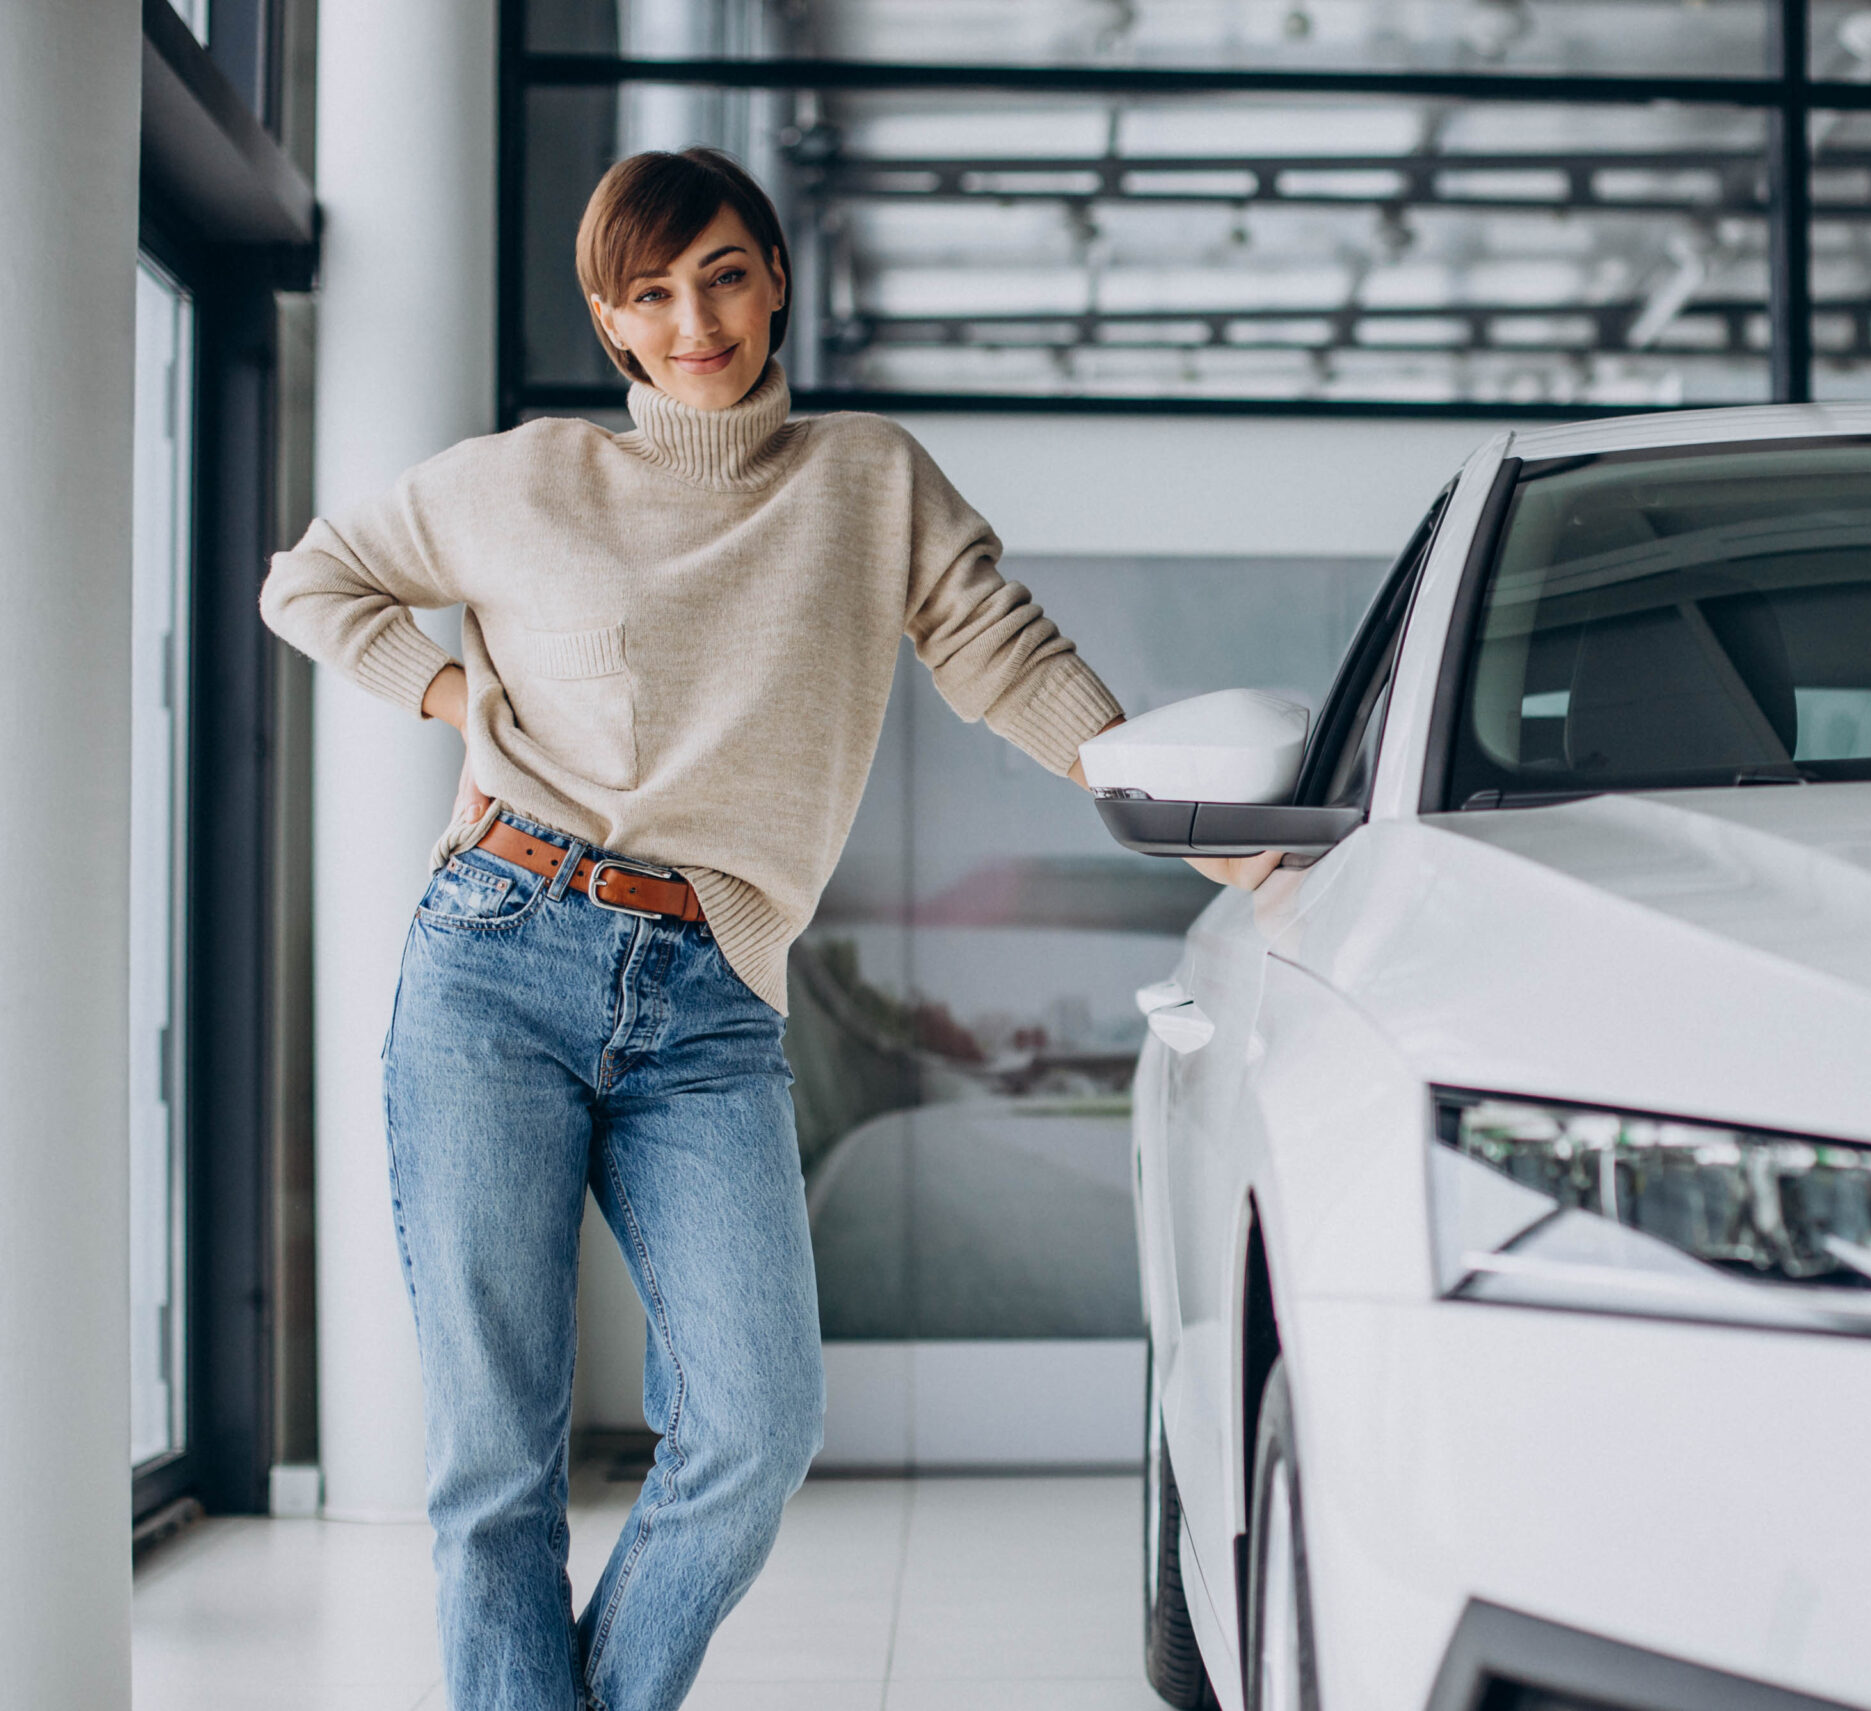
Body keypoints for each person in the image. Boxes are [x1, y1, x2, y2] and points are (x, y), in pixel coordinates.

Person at [261, 146, 1278, 1711]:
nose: (696, 323)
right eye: (652, 294)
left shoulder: (866, 480)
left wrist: (1184, 819)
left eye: (723, 275)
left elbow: (1004, 653)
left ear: (777, 276)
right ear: (611, 321)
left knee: (755, 1427)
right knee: (496, 1465)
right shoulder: (529, 478)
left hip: (713, 996)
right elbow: (311, 583)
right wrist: (461, 700)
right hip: (497, 958)